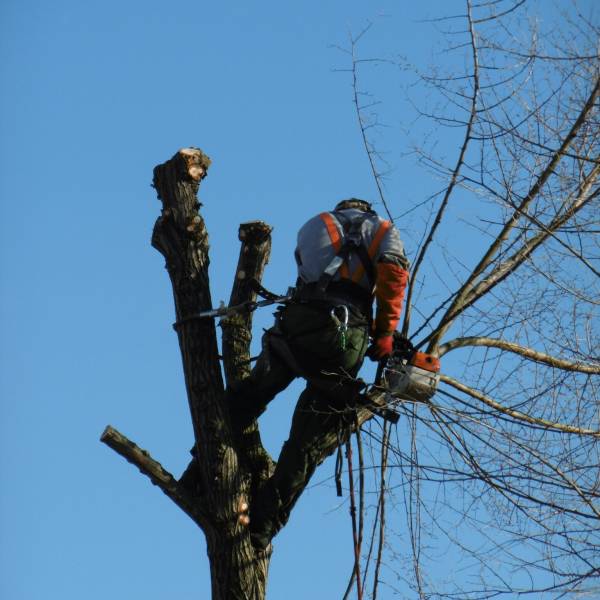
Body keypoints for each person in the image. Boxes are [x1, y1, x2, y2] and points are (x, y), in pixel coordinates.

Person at [229, 198, 409, 549]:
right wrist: (386, 332)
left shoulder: (314, 224)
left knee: (247, 398)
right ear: (366, 210)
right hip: (345, 335)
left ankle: (202, 466)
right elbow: (394, 273)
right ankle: (261, 525)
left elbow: (305, 272)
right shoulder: (384, 229)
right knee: (305, 443)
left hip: (298, 325)